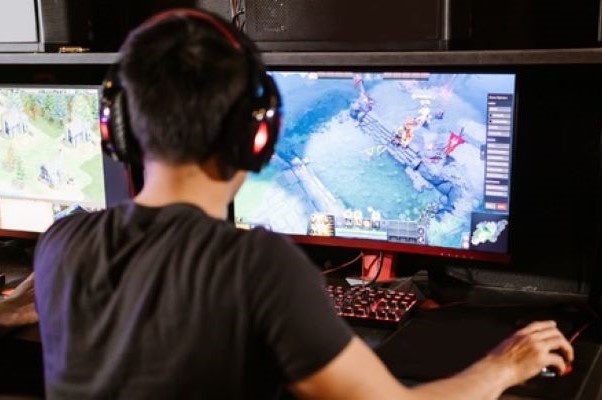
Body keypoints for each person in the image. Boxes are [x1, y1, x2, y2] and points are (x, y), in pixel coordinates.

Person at [34, 8, 573, 399]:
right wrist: (505, 366)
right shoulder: (255, 266)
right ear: (256, 136)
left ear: (118, 131)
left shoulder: (61, 244)